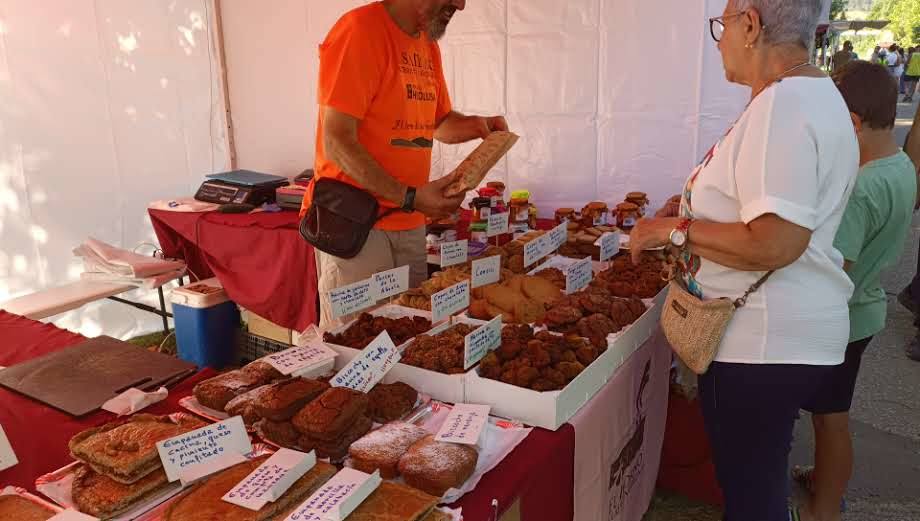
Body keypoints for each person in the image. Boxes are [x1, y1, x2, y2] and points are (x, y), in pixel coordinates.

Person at [629, 1, 859, 520]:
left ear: (751, 25)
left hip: (760, 343)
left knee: (752, 501)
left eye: (723, 25)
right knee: (758, 487)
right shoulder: (815, 95)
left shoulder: (783, 106)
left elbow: (776, 242)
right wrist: (692, 207)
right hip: (786, 338)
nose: (720, 41)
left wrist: (673, 229)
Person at [302, 0, 508, 328]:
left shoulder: (426, 43)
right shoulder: (359, 31)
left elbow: (438, 122)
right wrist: (410, 196)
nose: (461, 4)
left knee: (410, 337)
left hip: (408, 222)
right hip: (355, 226)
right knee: (358, 345)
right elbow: (337, 140)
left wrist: (477, 126)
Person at [791, 60, 918, 521]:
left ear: (851, 124)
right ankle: (826, 480)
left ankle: (824, 509)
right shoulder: (900, 165)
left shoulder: (861, 188)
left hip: (843, 316)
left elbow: (833, 267)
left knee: (829, 418)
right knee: (831, 414)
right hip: (865, 309)